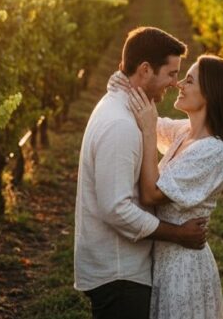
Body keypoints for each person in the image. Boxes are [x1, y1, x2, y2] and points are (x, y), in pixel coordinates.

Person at [74, 26, 209, 319]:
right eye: (172, 73)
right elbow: (117, 209)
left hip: (119, 269)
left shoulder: (120, 105)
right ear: (145, 70)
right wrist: (177, 234)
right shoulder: (120, 124)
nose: (175, 83)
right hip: (119, 273)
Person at [109, 54, 223, 319]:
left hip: (184, 269)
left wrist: (150, 132)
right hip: (164, 260)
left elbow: (151, 194)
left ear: (211, 94)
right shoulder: (186, 133)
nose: (179, 84)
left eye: (189, 80)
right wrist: (128, 80)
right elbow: (146, 117)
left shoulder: (213, 152)